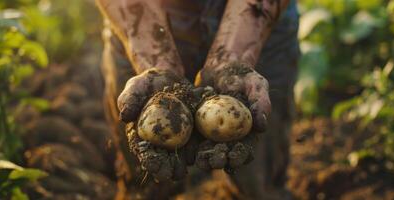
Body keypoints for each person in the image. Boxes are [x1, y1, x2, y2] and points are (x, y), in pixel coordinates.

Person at [96, 0, 299, 199]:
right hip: (140, 19)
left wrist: (232, 60)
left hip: (260, 19)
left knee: (259, 183)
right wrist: (157, 63)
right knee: (146, 176)